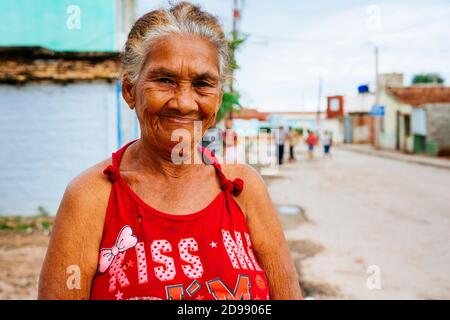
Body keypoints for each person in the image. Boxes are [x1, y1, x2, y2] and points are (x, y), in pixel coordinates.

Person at [38, 2, 301, 300]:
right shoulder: (91, 197)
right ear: (129, 91)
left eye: (203, 84)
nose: (184, 103)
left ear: (217, 98)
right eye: (165, 80)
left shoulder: (243, 189)